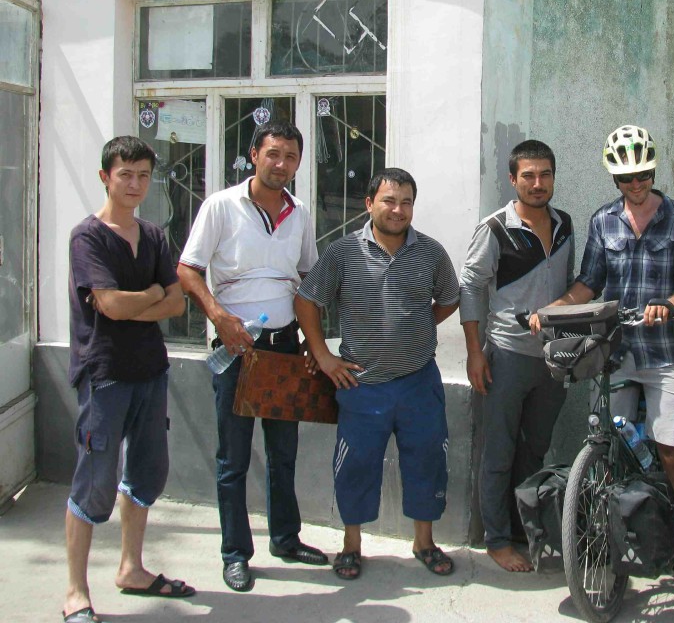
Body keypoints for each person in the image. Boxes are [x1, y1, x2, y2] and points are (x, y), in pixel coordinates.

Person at [541, 124, 674, 587]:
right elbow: (589, 282)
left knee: (671, 451)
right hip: (615, 352)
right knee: (610, 448)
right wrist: (551, 311)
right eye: (627, 178)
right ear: (615, 180)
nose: (637, 184)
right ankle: (617, 535)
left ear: (653, 171)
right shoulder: (603, 220)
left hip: (665, 352)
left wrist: (669, 305)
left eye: (644, 175)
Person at [177, 121, 327, 594]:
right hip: (238, 348)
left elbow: (308, 278)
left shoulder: (299, 212)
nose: (281, 164)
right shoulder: (221, 206)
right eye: (273, 154)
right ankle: (236, 554)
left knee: (284, 454)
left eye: (290, 157)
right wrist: (219, 317)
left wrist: (309, 341)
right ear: (254, 155)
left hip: (284, 347)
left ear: (299, 164)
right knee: (233, 458)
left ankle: (285, 538)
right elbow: (188, 269)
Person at [295, 167, 461, 581]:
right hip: (361, 384)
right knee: (355, 466)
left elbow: (449, 299)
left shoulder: (431, 253)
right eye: (389, 200)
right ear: (369, 204)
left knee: (427, 462)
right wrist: (323, 354)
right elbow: (306, 301)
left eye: (406, 202)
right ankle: (351, 546)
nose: (398, 209)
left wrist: (415, 329)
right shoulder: (342, 253)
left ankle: (424, 541)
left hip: (418, 380)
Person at [64, 136, 191, 623]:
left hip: (150, 371)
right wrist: (151, 293)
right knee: (94, 481)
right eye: (125, 175)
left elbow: (177, 302)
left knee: (146, 474)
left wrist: (139, 298)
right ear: (105, 177)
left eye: (143, 175)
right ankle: (76, 592)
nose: (135, 184)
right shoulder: (88, 237)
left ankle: (131, 569)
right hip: (105, 375)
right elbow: (109, 305)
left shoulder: (155, 236)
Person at [460, 140, 575, 572]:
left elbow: (569, 288)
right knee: (499, 449)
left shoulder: (564, 224)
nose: (537, 183)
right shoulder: (494, 229)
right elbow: (470, 287)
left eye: (545, 174)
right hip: (506, 354)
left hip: (554, 359)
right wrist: (475, 353)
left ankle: (525, 527)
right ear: (513, 180)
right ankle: (496, 540)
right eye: (528, 175)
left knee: (534, 449)